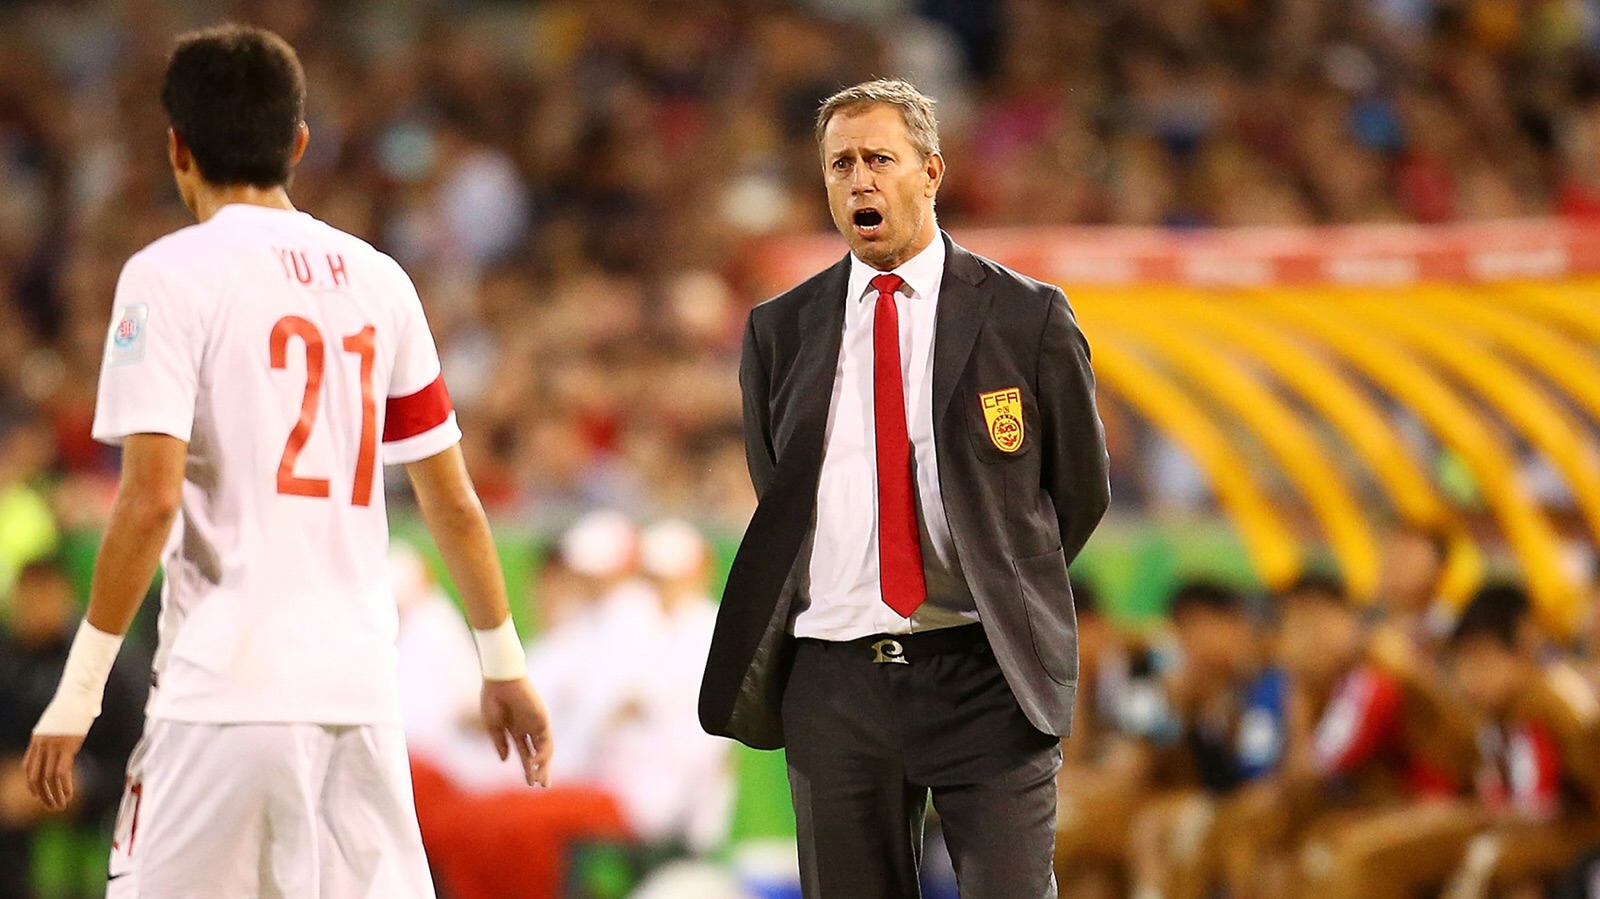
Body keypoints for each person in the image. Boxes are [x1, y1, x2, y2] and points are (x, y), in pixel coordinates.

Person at [22, 26, 552, 898]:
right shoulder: (381, 280)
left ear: (177, 149)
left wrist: (78, 694)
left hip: (223, 694)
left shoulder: (168, 274)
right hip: (359, 699)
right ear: (298, 143)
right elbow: (453, 501)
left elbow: (149, 501)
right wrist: (504, 663)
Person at [699, 78, 1110, 898]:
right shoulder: (780, 330)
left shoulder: (1026, 316)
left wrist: (1000, 577)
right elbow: (781, 487)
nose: (860, 180)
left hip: (984, 668)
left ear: (931, 172)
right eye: (840, 164)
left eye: (879, 159)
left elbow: (1078, 488)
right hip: (836, 682)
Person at [0, 559, 147, 898]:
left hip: (99, 821)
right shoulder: (9, 663)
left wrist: (85, 784)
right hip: (18, 833)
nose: (33, 609)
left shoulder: (113, 668)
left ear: (66, 596)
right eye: (25, 598)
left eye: (43, 595)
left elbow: (139, 753)